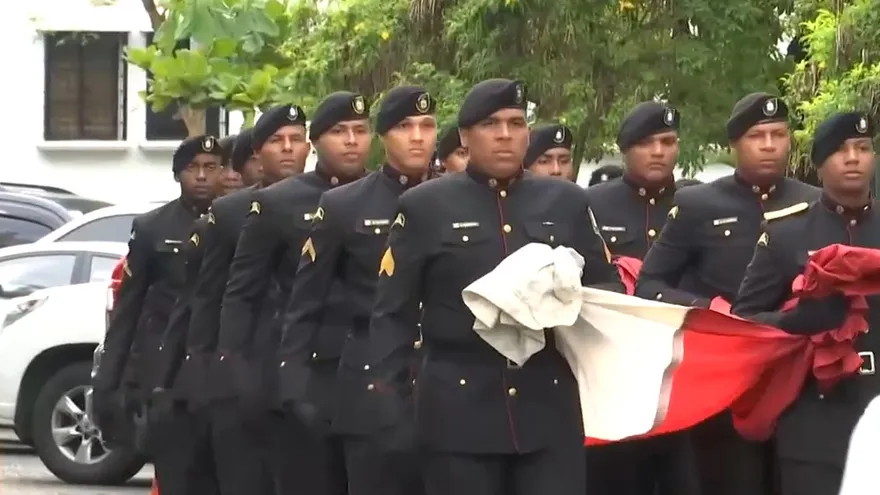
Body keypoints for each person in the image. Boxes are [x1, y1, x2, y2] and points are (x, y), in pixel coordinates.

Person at [362, 78, 624, 495]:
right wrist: (389, 408)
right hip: (458, 413)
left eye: (516, 123)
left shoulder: (567, 202)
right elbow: (392, 313)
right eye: (490, 124)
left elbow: (607, 288)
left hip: (547, 408)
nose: (505, 135)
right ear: (465, 137)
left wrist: (565, 289)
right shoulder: (425, 206)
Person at [634, 93, 820, 495]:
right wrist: (710, 310)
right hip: (729, 384)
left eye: (778, 134)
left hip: (801, 381)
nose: (769, 145)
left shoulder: (815, 203)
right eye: (757, 136)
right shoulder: (698, 204)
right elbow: (649, 285)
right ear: (735, 144)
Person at [278, 85, 436, 495]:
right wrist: (295, 385)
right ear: (383, 137)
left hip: (447, 383)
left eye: (427, 126)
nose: (418, 136)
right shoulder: (343, 205)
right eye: (404, 126)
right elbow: (305, 302)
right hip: (370, 383)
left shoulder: (456, 200)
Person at [215, 91, 371, 495]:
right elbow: (241, 295)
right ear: (317, 142)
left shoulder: (392, 197)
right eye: (340, 131)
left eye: (360, 130)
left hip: (375, 376)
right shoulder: (276, 203)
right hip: (304, 378)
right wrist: (243, 379)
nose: (352, 141)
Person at [159, 105, 311, 495]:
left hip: (315, 369)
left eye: (296, 139)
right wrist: (201, 376)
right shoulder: (228, 214)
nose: (289, 150)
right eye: (278, 141)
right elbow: (205, 299)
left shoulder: (338, 202)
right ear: (258, 154)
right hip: (247, 371)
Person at [731, 112, 878, 495]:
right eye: (840, 150)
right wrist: (798, 320)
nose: (853, 158)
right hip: (815, 417)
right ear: (818, 164)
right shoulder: (786, 232)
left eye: (863, 148)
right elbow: (744, 322)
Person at [91, 135, 224, 495]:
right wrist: (109, 382)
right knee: (176, 478)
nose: (200, 176)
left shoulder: (238, 220)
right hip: (168, 375)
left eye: (210, 168)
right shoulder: (153, 227)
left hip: (220, 372)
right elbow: (128, 307)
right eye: (191, 168)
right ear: (177, 175)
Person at [584, 101, 698, 495]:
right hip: (613, 367)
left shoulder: (697, 204)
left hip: (683, 368)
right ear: (626, 148)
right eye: (647, 143)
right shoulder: (593, 205)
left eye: (668, 142)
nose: (659, 152)